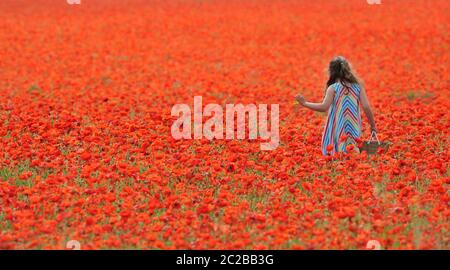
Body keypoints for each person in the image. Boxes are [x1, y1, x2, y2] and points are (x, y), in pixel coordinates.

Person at [296, 56, 377, 155]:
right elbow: (366, 106)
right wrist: (372, 125)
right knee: (353, 151)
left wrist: (305, 103)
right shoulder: (357, 86)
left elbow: (324, 107)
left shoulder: (333, 88)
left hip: (337, 127)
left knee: (338, 153)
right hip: (354, 126)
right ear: (348, 69)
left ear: (331, 71)